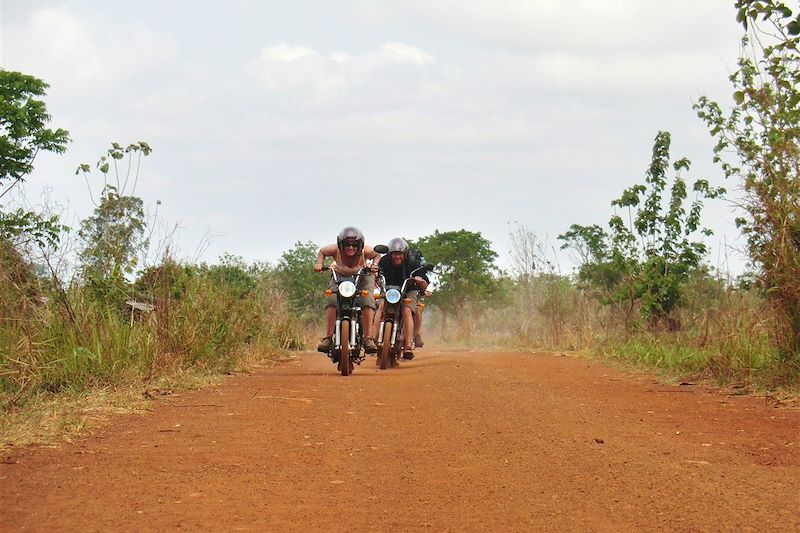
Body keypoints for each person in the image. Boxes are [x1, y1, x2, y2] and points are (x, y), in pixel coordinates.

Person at [314, 226, 380, 354]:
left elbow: (377, 255)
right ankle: (327, 338)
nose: (350, 248)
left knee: (367, 301)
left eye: (354, 245)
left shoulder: (366, 250)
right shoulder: (334, 249)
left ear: (360, 245)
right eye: (347, 245)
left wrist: (374, 265)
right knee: (332, 300)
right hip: (338, 276)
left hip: (362, 276)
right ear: (341, 245)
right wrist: (319, 264)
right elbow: (322, 251)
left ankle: (368, 338)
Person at [373, 237, 429, 359]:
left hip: (408, 290)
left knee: (406, 310)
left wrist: (420, 281)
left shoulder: (413, 263)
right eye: (394, 254)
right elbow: (376, 274)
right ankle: (372, 339)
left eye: (399, 254)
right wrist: (374, 274)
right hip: (389, 291)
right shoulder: (384, 261)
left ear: (405, 254)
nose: (397, 257)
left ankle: (408, 346)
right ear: (389, 254)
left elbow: (424, 280)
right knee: (381, 307)